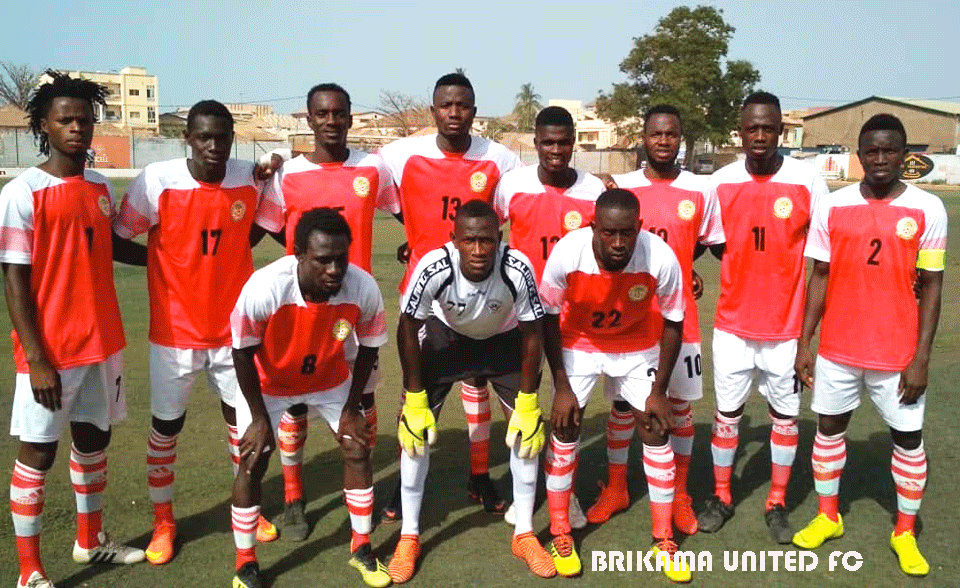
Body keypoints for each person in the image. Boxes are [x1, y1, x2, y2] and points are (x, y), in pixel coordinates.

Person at [112, 99, 286, 565]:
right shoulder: (157, 180)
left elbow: (264, 223)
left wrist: (273, 163)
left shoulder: (249, 177)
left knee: (243, 427)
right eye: (204, 137)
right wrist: (162, 261)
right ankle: (163, 522)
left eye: (222, 137)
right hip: (174, 334)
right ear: (187, 138)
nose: (213, 145)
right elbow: (117, 239)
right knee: (166, 429)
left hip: (234, 334)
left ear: (232, 138)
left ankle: (247, 505)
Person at [1, 71, 147, 588]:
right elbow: (14, 279)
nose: (77, 127)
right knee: (39, 451)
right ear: (43, 124)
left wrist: (166, 257)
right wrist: (37, 358)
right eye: (65, 119)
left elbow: (111, 245)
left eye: (84, 119)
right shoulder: (23, 192)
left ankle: (90, 541)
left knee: (93, 440)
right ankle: (30, 571)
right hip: (52, 351)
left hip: (102, 341)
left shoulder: (100, 186)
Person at [792, 114, 946, 577]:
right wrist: (804, 342)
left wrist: (921, 358)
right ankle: (828, 516)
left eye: (889, 150)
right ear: (859, 156)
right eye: (872, 151)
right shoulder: (832, 206)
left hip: (897, 353)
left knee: (908, 439)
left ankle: (904, 531)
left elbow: (932, 285)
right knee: (828, 430)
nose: (880, 158)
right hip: (838, 347)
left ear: (905, 155)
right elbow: (820, 275)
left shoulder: (928, 208)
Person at [378, 73, 523, 520]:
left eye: (463, 105)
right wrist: (415, 237)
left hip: (482, 296)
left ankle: (479, 475)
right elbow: (363, 182)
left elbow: (519, 206)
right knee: (416, 395)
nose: (454, 113)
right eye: (446, 105)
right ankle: (403, 487)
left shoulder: (500, 159)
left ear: (474, 111)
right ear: (434, 110)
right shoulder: (400, 156)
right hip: (426, 300)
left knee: (478, 385)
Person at [387, 200, 553, 582]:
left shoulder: (517, 267)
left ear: (500, 238)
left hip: (503, 341)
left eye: (487, 240)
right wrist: (414, 399)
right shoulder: (433, 266)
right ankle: (409, 537)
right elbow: (408, 327)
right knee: (414, 433)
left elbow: (533, 332)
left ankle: (524, 534)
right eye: (469, 240)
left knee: (527, 433)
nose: (478, 250)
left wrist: (529, 402)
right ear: (454, 240)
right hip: (446, 340)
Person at [261, 83, 399, 540]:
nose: (331, 121)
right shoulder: (287, 174)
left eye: (339, 113)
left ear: (351, 117)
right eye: (322, 113)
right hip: (303, 309)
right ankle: (293, 496)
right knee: (296, 402)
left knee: (364, 398)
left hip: (356, 306)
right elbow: (268, 226)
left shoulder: (372, 168)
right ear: (309, 119)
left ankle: (361, 488)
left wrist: (413, 245)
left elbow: (406, 212)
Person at [229, 208, 390, 588]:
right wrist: (258, 418)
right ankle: (245, 563)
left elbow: (369, 348)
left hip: (330, 379)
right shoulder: (265, 287)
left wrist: (351, 409)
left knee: (357, 446)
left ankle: (361, 547)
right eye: (322, 260)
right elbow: (242, 352)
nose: (334, 270)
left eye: (341, 259)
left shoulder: (362, 287)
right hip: (268, 384)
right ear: (298, 254)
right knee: (252, 460)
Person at [697, 91, 828, 544]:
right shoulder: (721, 182)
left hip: (786, 331)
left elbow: (826, 253)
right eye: (751, 128)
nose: (759, 135)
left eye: (767, 128)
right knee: (727, 416)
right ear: (740, 132)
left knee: (785, 419)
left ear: (780, 131)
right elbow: (712, 242)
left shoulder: (807, 180)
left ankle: (776, 500)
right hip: (732, 327)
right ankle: (721, 495)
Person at [587, 105, 724, 534]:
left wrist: (685, 268)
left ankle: (680, 495)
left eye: (671, 134)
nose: (663, 141)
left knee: (679, 409)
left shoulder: (701, 189)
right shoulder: (622, 187)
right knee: (621, 407)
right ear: (643, 138)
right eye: (656, 134)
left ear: (681, 138)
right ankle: (616, 487)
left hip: (678, 319)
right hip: (629, 319)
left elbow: (704, 242)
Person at [540, 189, 689, 582]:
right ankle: (560, 532)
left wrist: (659, 392)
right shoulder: (568, 252)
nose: (619, 242)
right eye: (609, 233)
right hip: (580, 343)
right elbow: (547, 319)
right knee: (565, 427)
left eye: (627, 233)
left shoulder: (660, 256)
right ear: (594, 227)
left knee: (655, 429)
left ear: (639, 227)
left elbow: (674, 323)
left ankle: (662, 539)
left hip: (636, 346)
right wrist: (561, 386)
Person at [493, 104, 603, 528]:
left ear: (573, 143)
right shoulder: (512, 185)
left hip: (572, 319)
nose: (556, 150)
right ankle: (525, 491)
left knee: (566, 409)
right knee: (520, 405)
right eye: (547, 142)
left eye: (563, 142)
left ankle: (564, 492)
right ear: (535, 143)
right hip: (518, 315)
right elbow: (488, 231)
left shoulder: (593, 190)